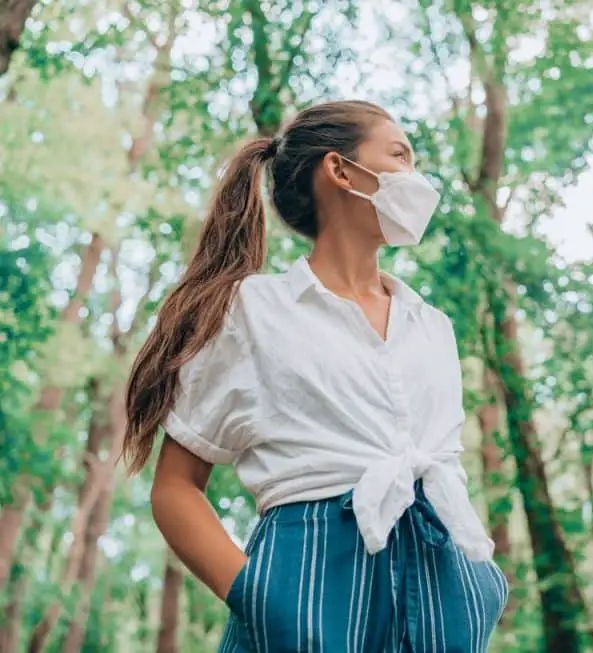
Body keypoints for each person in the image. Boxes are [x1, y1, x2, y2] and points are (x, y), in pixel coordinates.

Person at [122, 100, 508, 652]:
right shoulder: (253, 311)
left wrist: (481, 589)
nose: (416, 178)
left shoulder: (433, 326)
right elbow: (176, 488)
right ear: (340, 170)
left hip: (444, 587)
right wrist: (261, 597)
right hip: (311, 579)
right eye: (400, 155)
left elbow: (446, 469)